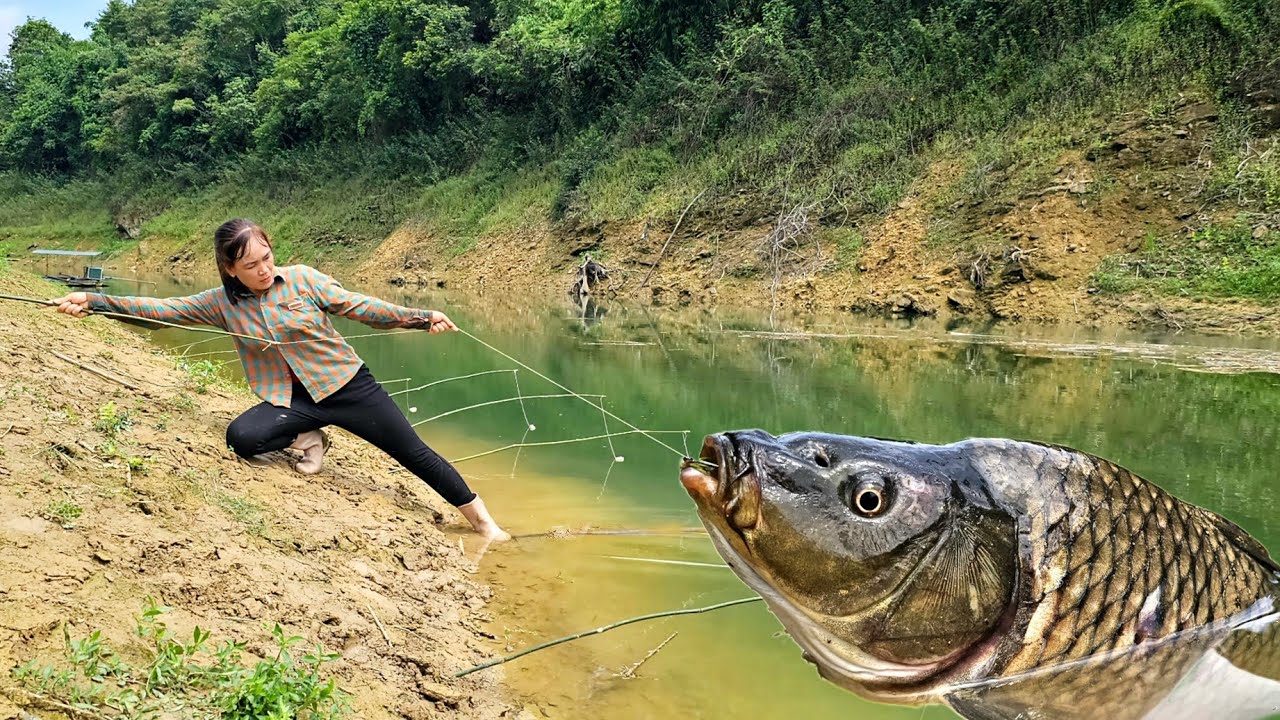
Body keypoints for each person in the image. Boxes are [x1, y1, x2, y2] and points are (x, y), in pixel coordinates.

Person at [51, 218, 510, 542]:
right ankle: (309, 435)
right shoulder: (220, 303)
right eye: (251, 266)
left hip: (348, 387)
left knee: (414, 454)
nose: (264, 270)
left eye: (267, 258)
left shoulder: (304, 280)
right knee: (243, 438)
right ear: (230, 268)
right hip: (289, 399)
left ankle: (484, 524)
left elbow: (362, 307)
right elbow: (161, 311)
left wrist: (417, 317)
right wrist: (94, 302)